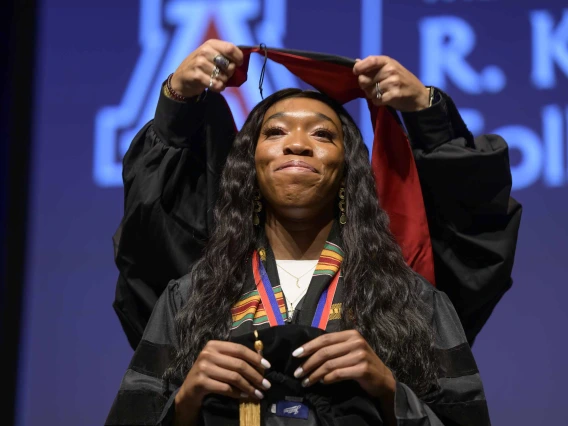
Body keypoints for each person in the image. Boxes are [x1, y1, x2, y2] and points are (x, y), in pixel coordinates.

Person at [105, 41, 497, 425]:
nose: (297, 144)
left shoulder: (411, 300)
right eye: (275, 132)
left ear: (348, 171)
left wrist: (390, 392)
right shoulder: (191, 297)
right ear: (249, 167)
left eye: (322, 135)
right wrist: (186, 403)